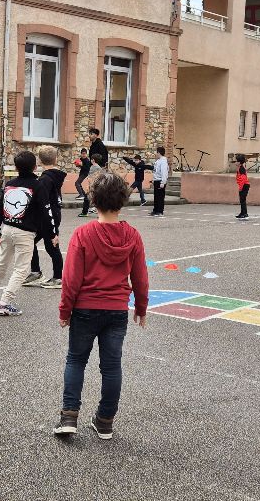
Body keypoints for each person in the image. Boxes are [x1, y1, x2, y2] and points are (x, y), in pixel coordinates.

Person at [54, 171, 148, 439]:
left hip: (85, 308)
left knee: (76, 360)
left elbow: (71, 279)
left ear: (93, 200)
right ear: (123, 200)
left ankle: (69, 416)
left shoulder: (83, 233)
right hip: (116, 310)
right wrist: (141, 307)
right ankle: (105, 420)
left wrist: (65, 310)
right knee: (111, 366)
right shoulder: (132, 236)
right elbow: (140, 277)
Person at [0, 150, 56, 316]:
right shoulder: (38, 185)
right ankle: (4, 303)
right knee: (21, 269)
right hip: (25, 233)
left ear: (16, 168)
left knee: (2, 260)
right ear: (35, 167)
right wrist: (52, 234)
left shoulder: (9, 184)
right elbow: (46, 212)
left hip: (7, 228)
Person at [27, 145, 67, 289]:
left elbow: (44, 203)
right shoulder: (53, 177)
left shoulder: (45, 179)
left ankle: (58, 278)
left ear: (39, 160)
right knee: (30, 242)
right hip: (49, 216)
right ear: (55, 159)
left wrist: (53, 231)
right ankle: (36, 273)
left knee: (52, 247)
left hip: (48, 217)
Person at [78, 153, 105, 217]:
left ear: (93, 160)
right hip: (98, 185)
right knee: (97, 200)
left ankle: (84, 213)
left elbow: (91, 178)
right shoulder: (99, 167)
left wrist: (89, 186)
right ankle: (101, 214)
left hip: (93, 186)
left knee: (87, 199)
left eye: (91, 159)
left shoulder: (93, 167)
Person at [150, 147, 169, 218]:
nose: (156, 154)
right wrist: (153, 179)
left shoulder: (163, 161)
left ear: (159, 153)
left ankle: (160, 211)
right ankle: (155, 210)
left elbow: (164, 172)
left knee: (160, 197)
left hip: (160, 181)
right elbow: (156, 171)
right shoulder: (158, 161)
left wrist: (163, 182)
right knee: (156, 197)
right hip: (156, 180)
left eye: (156, 152)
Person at [234, 154, 250, 220]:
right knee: (242, 200)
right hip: (244, 185)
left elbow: (243, 179)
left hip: (244, 186)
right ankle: (243, 213)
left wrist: (240, 188)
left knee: (242, 200)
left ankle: (244, 214)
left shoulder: (241, 169)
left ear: (239, 162)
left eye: (236, 161)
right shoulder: (240, 168)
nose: (235, 162)